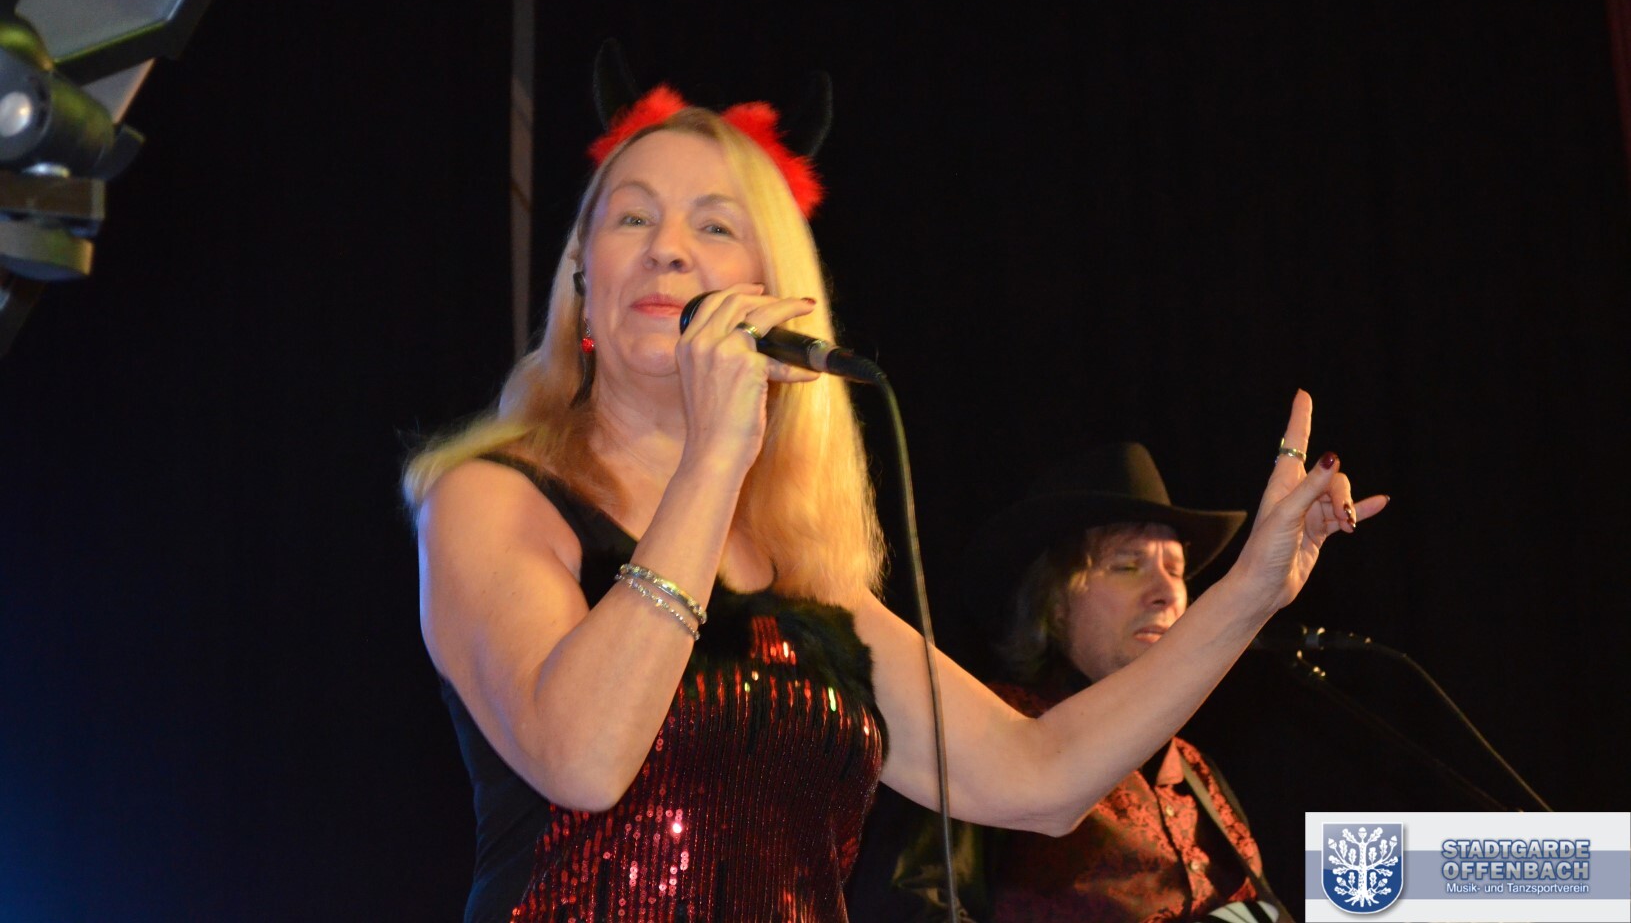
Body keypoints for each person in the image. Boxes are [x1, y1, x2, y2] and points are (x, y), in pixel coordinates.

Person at [403, 75, 1384, 922]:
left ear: (775, 289)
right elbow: (581, 759)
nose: (667, 249)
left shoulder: (803, 579)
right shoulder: (491, 499)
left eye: (713, 225)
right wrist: (711, 459)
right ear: (582, 273)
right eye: (631, 218)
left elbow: (1037, 778)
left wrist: (1250, 591)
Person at [868, 442, 1321, 923]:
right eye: (1128, 566)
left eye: (1176, 571)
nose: (1166, 593)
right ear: (1055, 601)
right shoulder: (986, 733)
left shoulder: (1196, 770)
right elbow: (908, 907)